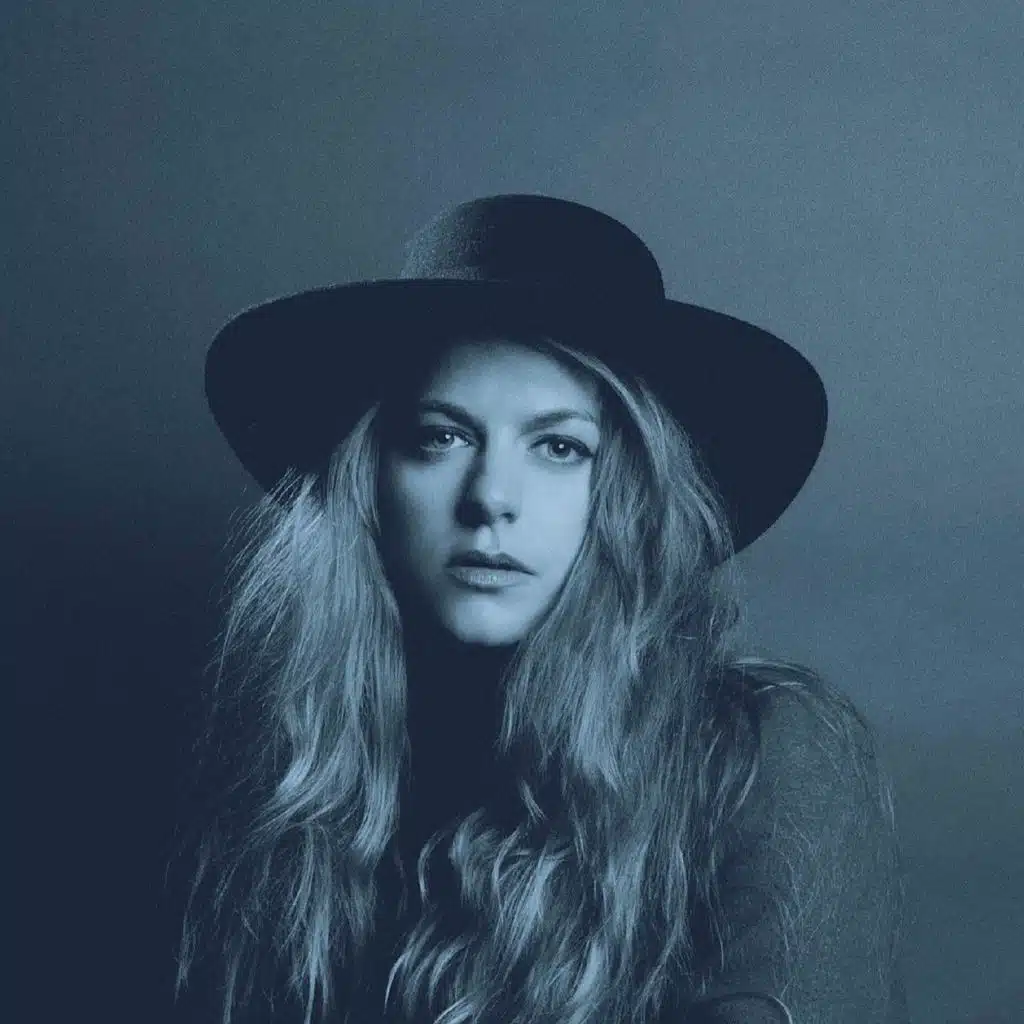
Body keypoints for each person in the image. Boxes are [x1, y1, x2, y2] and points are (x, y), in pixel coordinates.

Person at [167, 195, 908, 1024]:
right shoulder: (316, 777)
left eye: (560, 447)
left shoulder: (759, 755)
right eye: (441, 437)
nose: (491, 497)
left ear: (628, 495)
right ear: (370, 480)